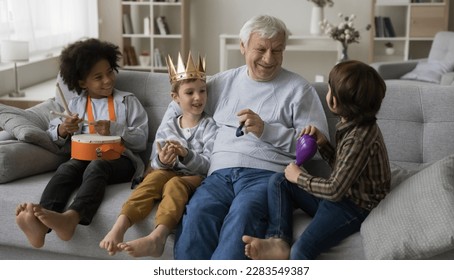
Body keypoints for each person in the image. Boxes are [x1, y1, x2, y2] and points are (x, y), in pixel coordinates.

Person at [164, 15, 329, 259]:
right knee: (198, 212)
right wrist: (165, 145)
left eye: (277, 50)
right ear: (243, 47)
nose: (269, 58)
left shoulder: (299, 89)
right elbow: (177, 105)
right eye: (260, 49)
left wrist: (266, 130)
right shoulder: (222, 82)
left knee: (243, 216)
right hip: (218, 174)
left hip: (266, 176)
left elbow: (315, 147)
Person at [242, 60, 391, 260]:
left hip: (353, 206)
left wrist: (299, 178)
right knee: (279, 181)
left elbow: (335, 190)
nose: (327, 93)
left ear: (335, 102)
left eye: (329, 89)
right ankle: (278, 241)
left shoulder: (359, 138)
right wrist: (323, 144)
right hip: (343, 194)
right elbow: (345, 167)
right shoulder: (352, 122)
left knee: (301, 250)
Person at [15, 38, 149, 248]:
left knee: (97, 166)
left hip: (121, 160)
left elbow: (141, 140)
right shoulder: (75, 105)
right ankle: (40, 224)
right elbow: (53, 133)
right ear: (81, 83)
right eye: (98, 77)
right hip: (83, 159)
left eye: (109, 72)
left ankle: (72, 218)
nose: (107, 80)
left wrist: (115, 129)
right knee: (66, 168)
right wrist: (63, 129)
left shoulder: (127, 101)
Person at [99, 53, 217, 258]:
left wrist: (186, 154)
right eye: (190, 92)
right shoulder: (170, 125)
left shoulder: (209, 126)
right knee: (153, 179)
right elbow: (155, 161)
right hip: (168, 171)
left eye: (202, 91)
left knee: (174, 185)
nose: (198, 97)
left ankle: (158, 237)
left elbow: (209, 165)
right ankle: (120, 225)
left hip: (195, 177)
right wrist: (163, 160)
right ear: (175, 98)